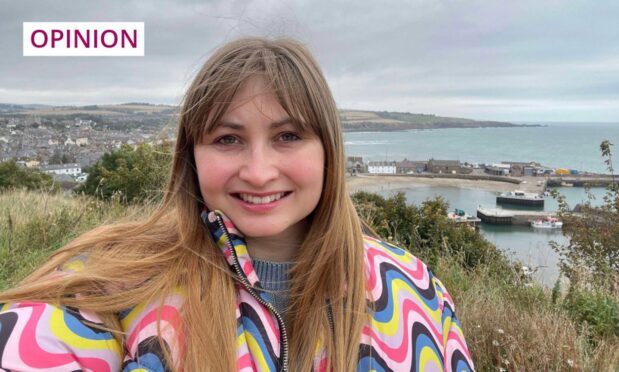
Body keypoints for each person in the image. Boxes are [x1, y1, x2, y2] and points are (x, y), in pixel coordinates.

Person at [0, 37, 474, 371]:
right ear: (192, 156)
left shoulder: (413, 287)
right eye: (228, 138)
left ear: (328, 149)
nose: (259, 170)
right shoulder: (114, 285)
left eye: (288, 136)